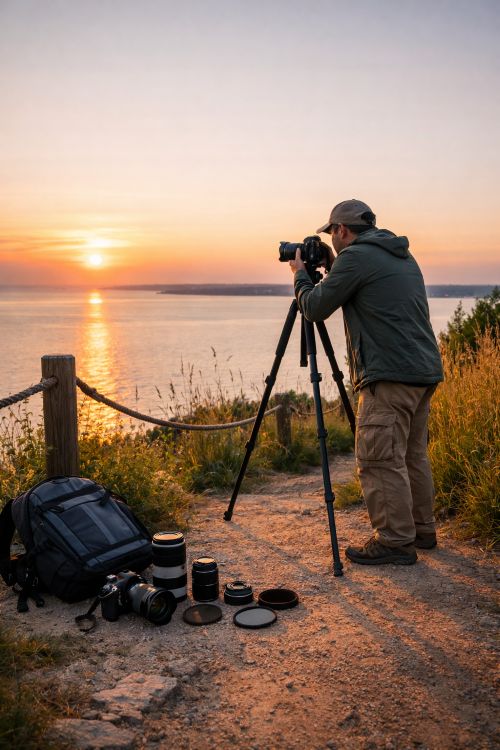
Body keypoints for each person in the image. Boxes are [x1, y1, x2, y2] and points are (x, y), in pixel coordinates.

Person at [289, 199, 443, 565]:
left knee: (378, 459)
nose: (332, 241)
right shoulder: (398, 253)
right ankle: (422, 530)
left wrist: (300, 274)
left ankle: (394, 541)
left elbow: (313, 307)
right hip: (422, 372)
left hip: (388, 375)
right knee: (410, 455)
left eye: (332, 234)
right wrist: (333, 263)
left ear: (341, 230)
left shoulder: (355, 259)